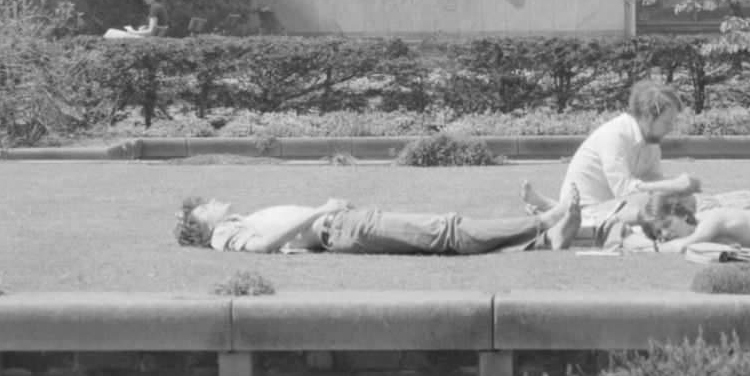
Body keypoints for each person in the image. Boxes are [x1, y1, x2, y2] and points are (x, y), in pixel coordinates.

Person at [537, 82, 699, 248]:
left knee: (683, 200)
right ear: (647, 116)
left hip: (613, 205)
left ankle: (551, 207)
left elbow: (655, 182)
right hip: (589, 211)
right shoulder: (616, 134)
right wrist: (673, 185)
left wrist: (681, 190)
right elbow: (624, 190)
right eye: (667, 122)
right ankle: (558, 212)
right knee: (649, 201)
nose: (671, 128)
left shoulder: (651, 141)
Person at [177, 194, 553, 258]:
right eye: (202, 210)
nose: (207, 204)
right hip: (342, 226)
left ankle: (546, 238)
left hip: (342, 227)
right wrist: (320, 210)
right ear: (203, 230)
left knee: (440, 232)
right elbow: (260, 248)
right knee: (446, 231)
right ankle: (542, 222)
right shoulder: (224, 233)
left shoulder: (232, 225)